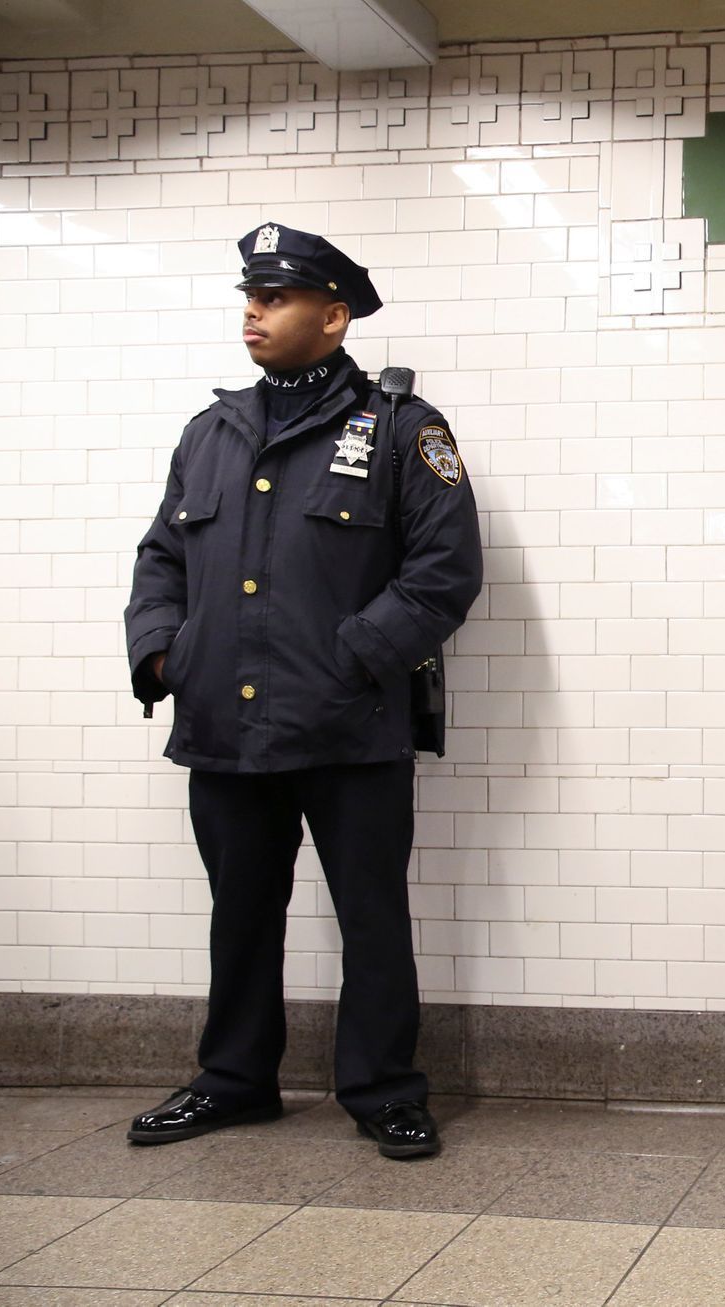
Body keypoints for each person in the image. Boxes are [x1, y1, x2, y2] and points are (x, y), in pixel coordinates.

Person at [122, 222, 482, 1159]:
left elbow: (444, 572)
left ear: (333, 316)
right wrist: (165, 654)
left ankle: (384, 1088)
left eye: (275, 297)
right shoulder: (211, 431)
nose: (254, 311)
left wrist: (353, 657)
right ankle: (234, 1079)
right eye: (250, 295)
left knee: (371, 917)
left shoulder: (405, 430)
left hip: (351, 726)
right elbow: (161, 558)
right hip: (221, 725)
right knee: (239, 915)